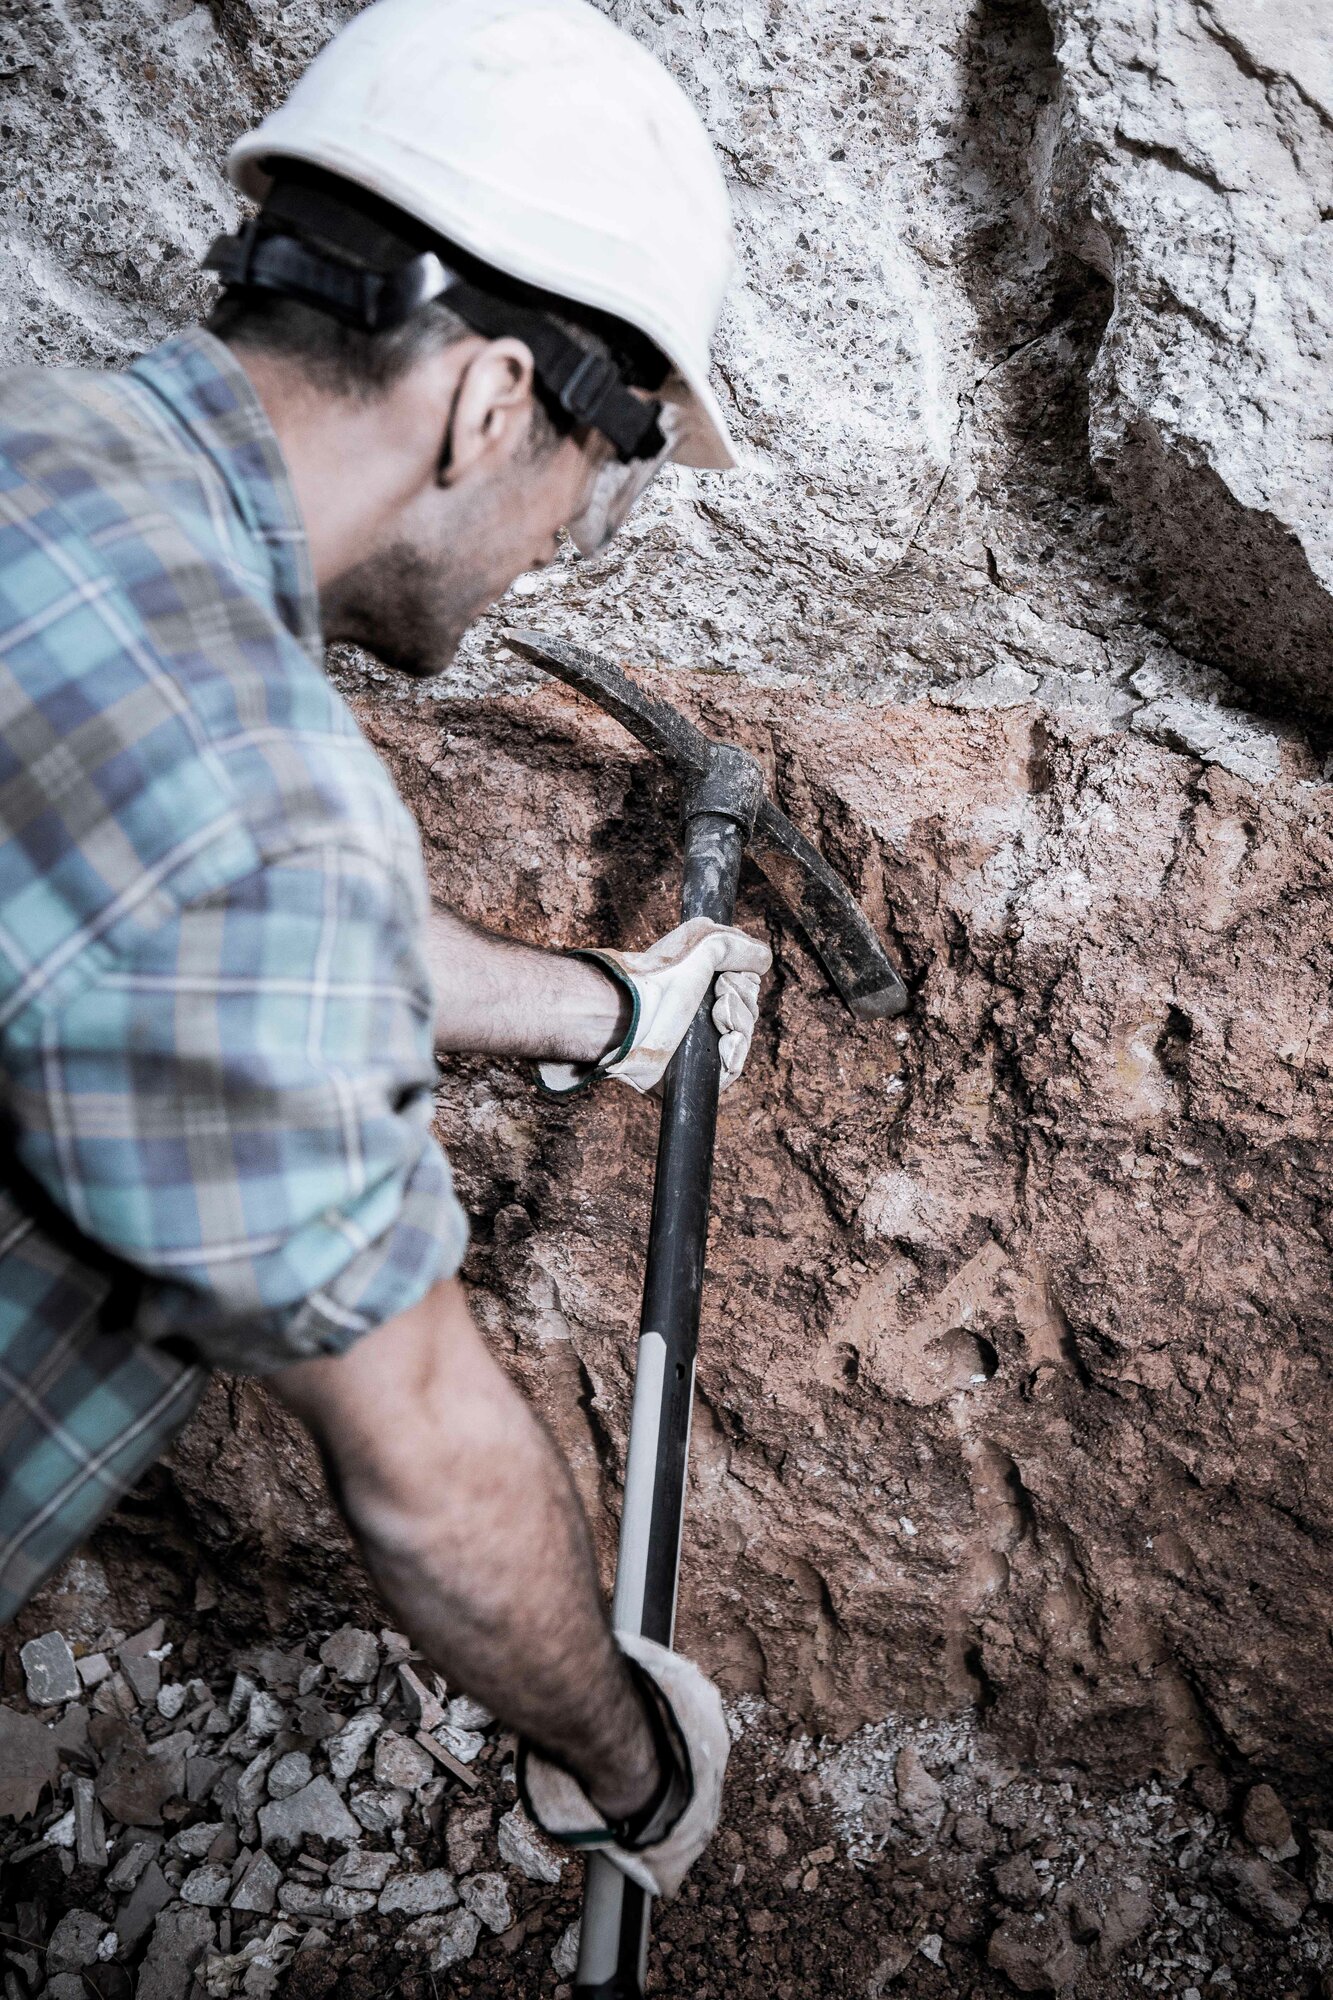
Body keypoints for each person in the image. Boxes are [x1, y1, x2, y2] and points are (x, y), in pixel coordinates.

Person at [0, 0, 770, 1897]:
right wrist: (624, 1753)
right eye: (580, 507)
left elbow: (172, 923)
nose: (548, 559)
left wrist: (606, 1010)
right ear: (494, 403)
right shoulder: (263, 800)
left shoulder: (54, 459)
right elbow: (420, 1450)